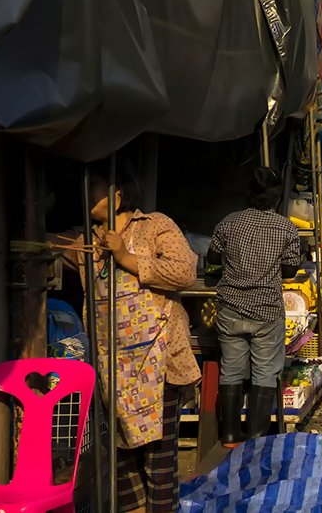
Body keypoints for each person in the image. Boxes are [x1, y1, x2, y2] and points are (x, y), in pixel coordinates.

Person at [64, 160, 200, 513]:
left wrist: (125, 256)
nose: (84, 194)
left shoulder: (154, 226)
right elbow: (49, 246)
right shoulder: (86, 241)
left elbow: (184, 272)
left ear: (116, 194)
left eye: (92, 187)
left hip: (160, 364)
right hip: (113, 370)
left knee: (158, 461)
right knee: (123, 460)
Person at [207, 168, 301, 447]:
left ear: (249, 193)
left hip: (231, 310)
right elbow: (289, 270)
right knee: (264, 372)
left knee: (232, 370)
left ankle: (231, 435)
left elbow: (213, 256)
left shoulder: (229, 222)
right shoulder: (286, 228)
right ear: (275, 197)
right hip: (267, 311)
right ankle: (258, 438)